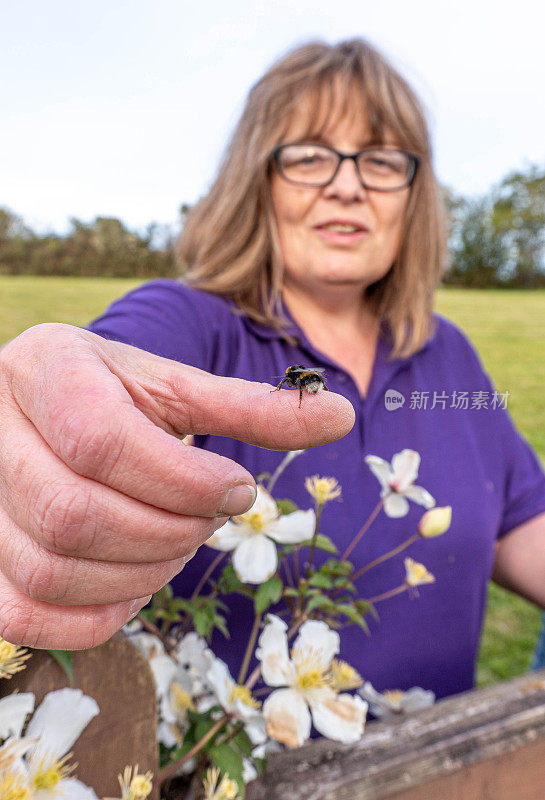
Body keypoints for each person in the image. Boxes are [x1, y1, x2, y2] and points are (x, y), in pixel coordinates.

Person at [1, 39, 544, 703]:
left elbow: (526, 524)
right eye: (310, 155)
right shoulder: (189, 322)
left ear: (413, 194)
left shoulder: (448, 353)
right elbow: (98, 369)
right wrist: (44, 400)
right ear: (257, 180)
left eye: (379, 159)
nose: (346, 184)